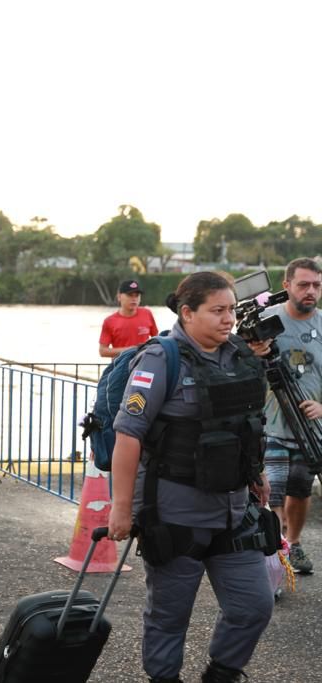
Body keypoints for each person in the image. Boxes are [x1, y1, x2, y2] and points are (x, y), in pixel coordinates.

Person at [107, 271, 274, 683]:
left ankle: (222, 673)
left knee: (254, 605)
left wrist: (258, 473)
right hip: (176, 514)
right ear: (187, 313)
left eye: (231, 309)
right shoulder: (161, 359)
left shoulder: (239, 355)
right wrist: (121, 510)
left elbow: (247, 424)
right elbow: (127, 437)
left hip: (235, 511)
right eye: (217, 311)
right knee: (169, 617)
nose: (228, 318)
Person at [262, 257, 322, 575]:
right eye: (303, 284)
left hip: (312, 430)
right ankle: (275, 550)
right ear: (286, 286)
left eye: (317, 285)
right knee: (273, 488)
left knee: (300, 490)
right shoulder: (265, 321)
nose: (311, 291)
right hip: (270, 424)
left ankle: (294, 543)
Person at [99, 279, 159, 358]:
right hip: (120, 367)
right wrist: (130, 350)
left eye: (137, 295)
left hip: (144, 365)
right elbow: (103, 351)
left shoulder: (147, 313)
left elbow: (157, 339)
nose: (134, 299)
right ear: (119, 297)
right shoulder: (109, 321)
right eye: (130, 295)